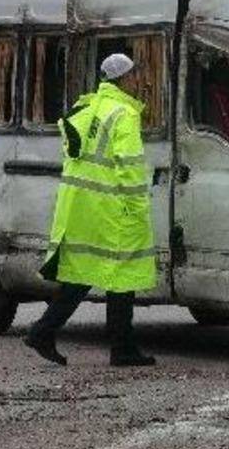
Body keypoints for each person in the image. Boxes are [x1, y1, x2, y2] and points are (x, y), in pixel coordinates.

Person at [24, 53, 157, 368]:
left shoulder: (85, 107)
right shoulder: (123, 113)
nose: (139, 80)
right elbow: (129, 166)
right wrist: (138, 208)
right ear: (123, 79)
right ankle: (121, 348)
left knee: (84, 276)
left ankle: (44, 331)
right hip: (112, 209)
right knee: (121, 276)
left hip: (79, 207)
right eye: (135, 74)